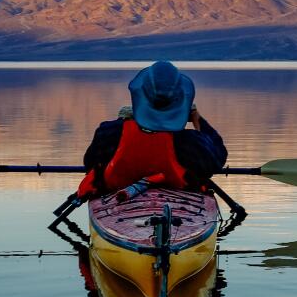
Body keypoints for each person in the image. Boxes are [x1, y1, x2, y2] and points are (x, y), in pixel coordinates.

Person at [77, 60, 227, 200]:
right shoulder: (190, 142)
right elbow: (217, 159)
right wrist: (197, 119)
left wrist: (124, 122)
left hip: (117, 189)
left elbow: (90, 163)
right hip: (178, 191)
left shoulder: (109, 132)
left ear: (140, 99)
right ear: (181, 102)